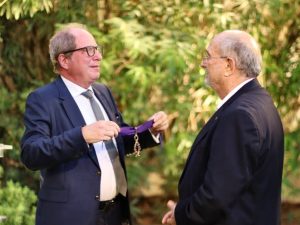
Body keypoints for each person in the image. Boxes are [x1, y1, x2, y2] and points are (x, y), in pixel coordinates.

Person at [20, 23, 168, 225]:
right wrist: (82, 136)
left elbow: (118, 140)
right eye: (88, 50)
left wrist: (150, 131)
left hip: (116, 214)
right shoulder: (43, 99)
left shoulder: (102, 92)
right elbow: (32, 154)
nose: (98, 56)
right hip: (71, 217)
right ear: (64, 59)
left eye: (97, 49)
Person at [162, 30, 284, 225]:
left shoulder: (240, 115)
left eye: (208, 57)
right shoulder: (259, 101)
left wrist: (182, 214)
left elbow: (217, 195)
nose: (203, 63)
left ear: (229, 65)